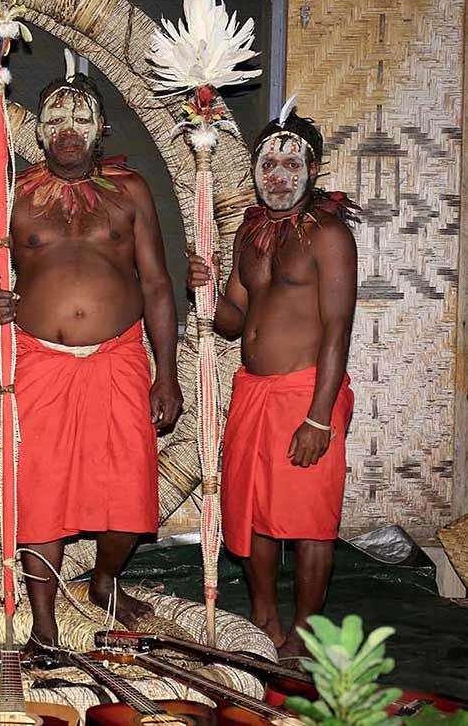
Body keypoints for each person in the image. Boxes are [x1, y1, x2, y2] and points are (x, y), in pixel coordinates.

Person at [0, 71, 182, 647]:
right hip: (38, 360)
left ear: (101, 129)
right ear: (39, 133)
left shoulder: (131, 190)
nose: (68, 130)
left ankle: (104, 580)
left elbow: (157, 284)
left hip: (119, 357)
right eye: (56, 120)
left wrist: (166, 373)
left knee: (130, 482)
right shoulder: (11, 193)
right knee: (40, 487)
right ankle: (43, 619)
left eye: (81, 119)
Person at [187, 105, 357, 661]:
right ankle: (264, 616)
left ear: (313, 169)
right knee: (251, 509)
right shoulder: (251, 233)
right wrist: (205, 288)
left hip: (306, 393)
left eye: (291, 164)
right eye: (268, 165)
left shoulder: (329, 235)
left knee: (309, 519)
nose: (278, 176)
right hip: (252, 391)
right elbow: (233, 321)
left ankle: (305, 632)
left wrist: (319, 417)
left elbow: (338, 329)